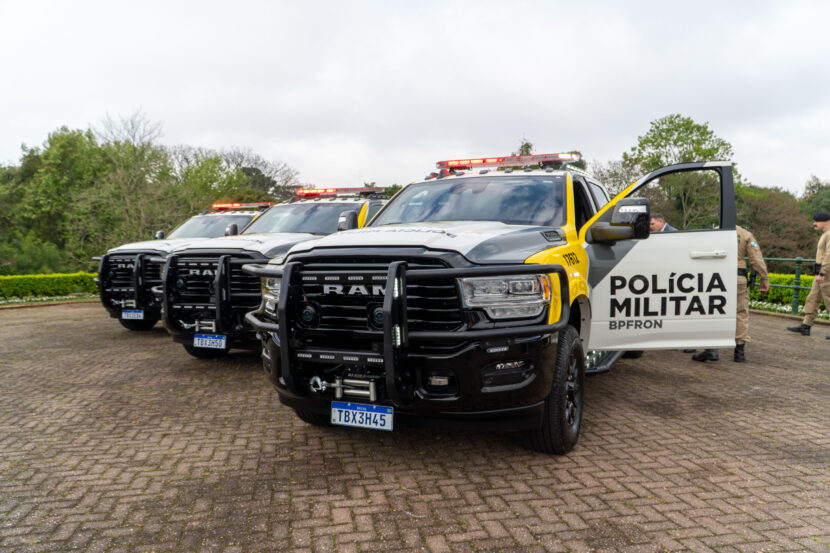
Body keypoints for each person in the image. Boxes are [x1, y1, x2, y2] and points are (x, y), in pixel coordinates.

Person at [693, 225, 769, 363]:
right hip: (737, 277)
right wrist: (764, 278)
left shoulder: (713, 232)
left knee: (713, 311)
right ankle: (739, 352)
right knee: (740, 313)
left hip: (715, 278)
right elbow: (757, 260)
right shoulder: (746, 234)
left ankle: (712, 349)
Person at [786, 211, 830, 338]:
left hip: (826, 273)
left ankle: (806, 326)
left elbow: (829, 255)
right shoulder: (825, 234)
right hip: (821, 273)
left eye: (817, 221)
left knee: (829, 299)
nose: (814, 223)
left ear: (826, 221)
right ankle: (806, 326)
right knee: (813, 298)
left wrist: (823, 272)